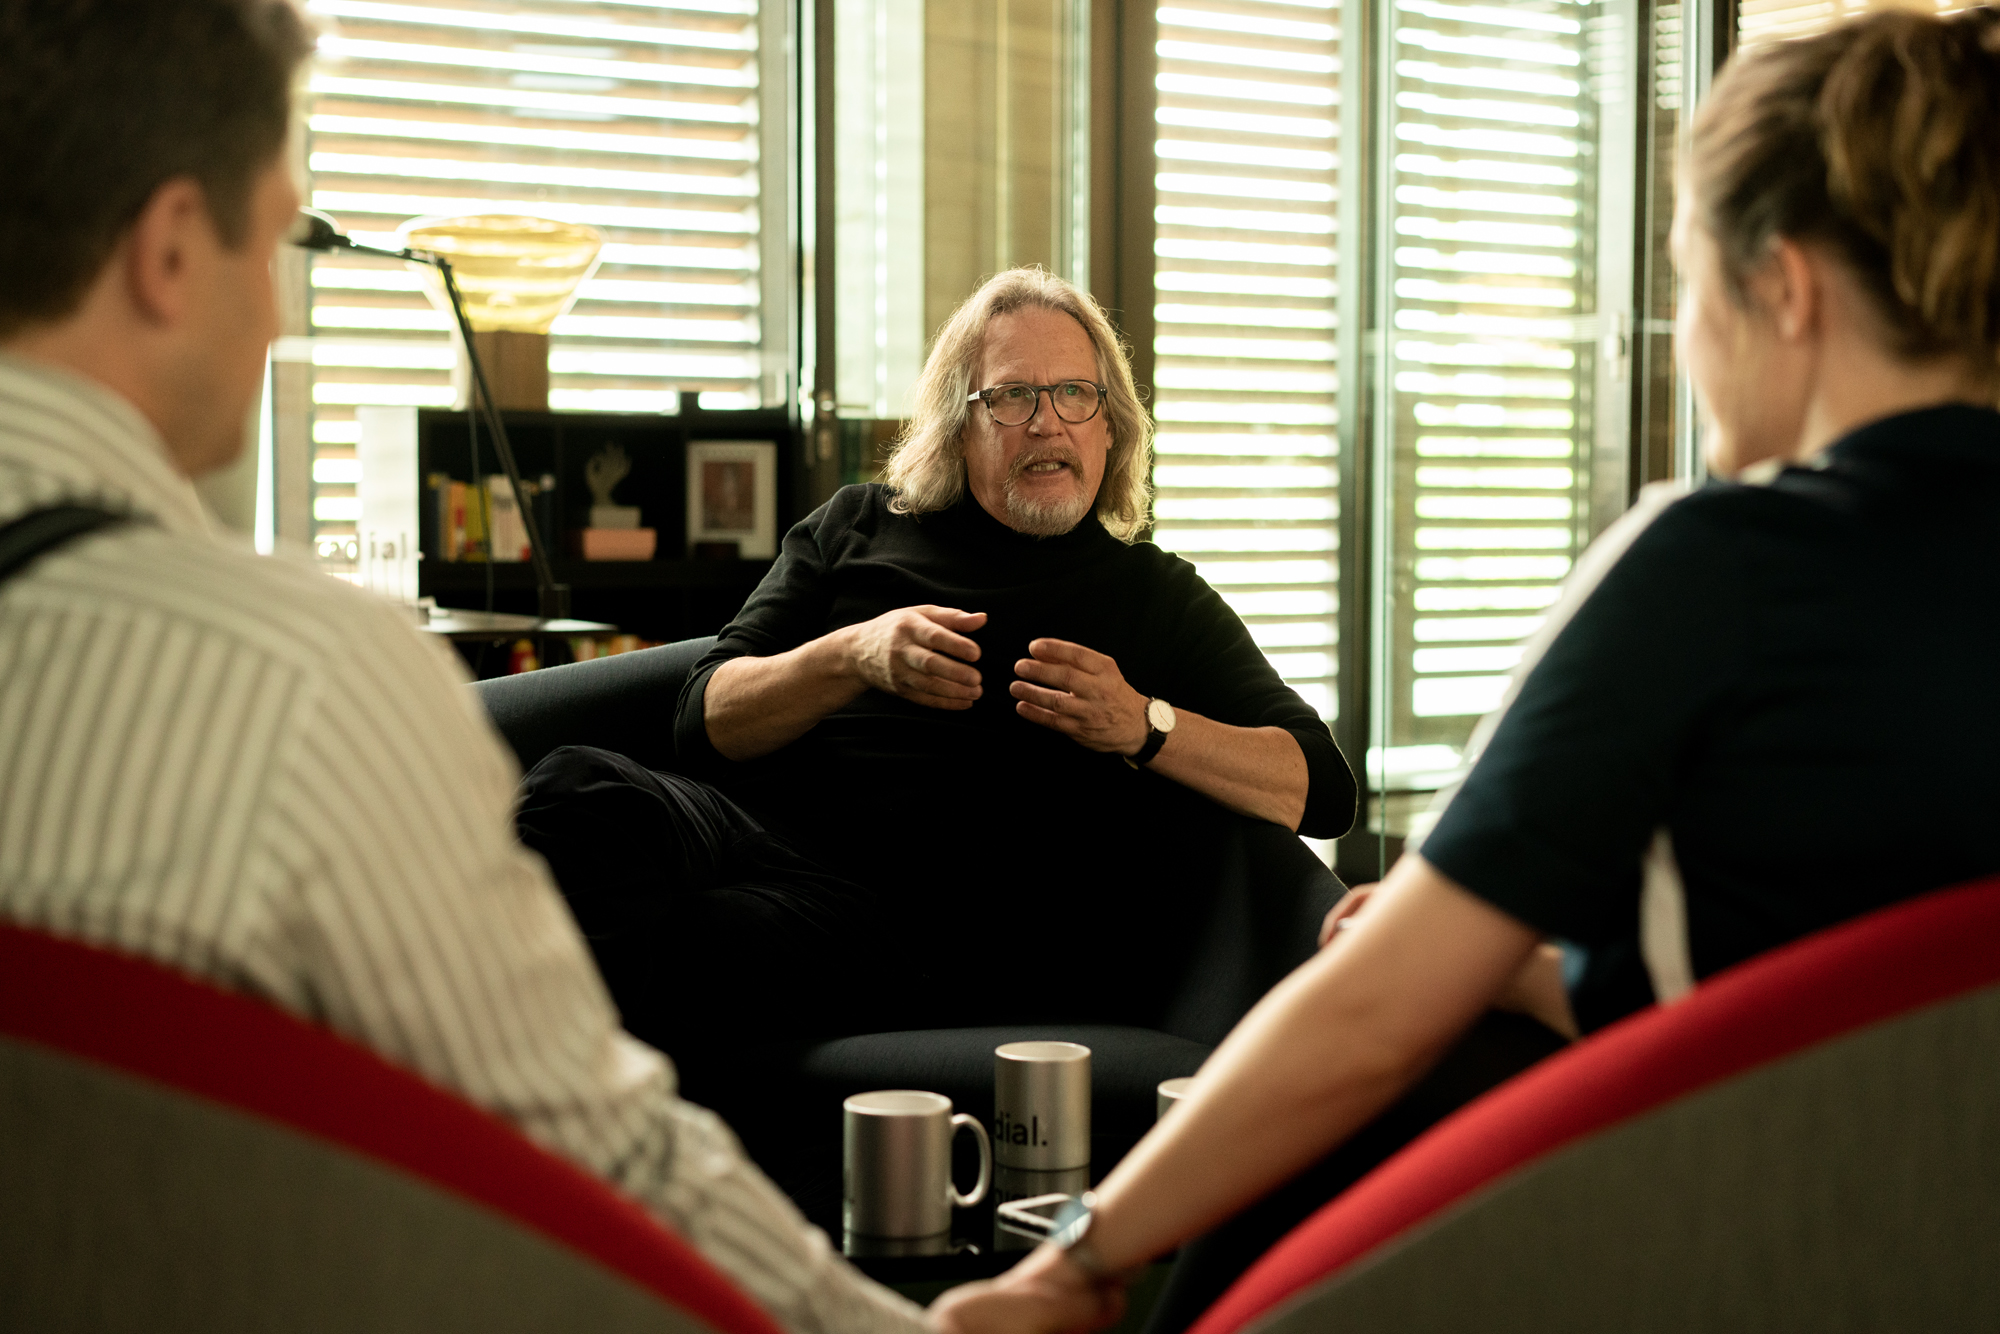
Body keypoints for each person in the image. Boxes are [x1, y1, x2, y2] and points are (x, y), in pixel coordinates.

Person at [0, 5, 1093, 1332]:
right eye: (278, 237)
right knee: (594, 808)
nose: (281, 310)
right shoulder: (298, 683)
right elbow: (598, 1158)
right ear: (172, 249)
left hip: (887, 919)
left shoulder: (1139, 592)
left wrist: (1142, 723)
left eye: (1070, 396)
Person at [930, 8, 2000, 1332]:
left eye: (1687, 284)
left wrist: (1078, 1252)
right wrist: (1531, 968)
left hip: (1739, 1234)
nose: (1685, 339)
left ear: (1782, 287)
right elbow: (1837, 982)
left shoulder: (1722, 566)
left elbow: (1375, 1013)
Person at [517, 268, 1358, 1062]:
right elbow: (703, 720)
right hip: (755, 832)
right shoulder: (854, 526)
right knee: (574, 789)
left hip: (908, 930)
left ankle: (549, 1126)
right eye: (1013, 397)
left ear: (1110, 427)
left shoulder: (1157, 594)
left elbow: (1319, 788)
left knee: (697, 948)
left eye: (1075, 394)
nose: (1048, 422)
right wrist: (853, 654)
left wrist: (1142, 723)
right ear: (959, 425)